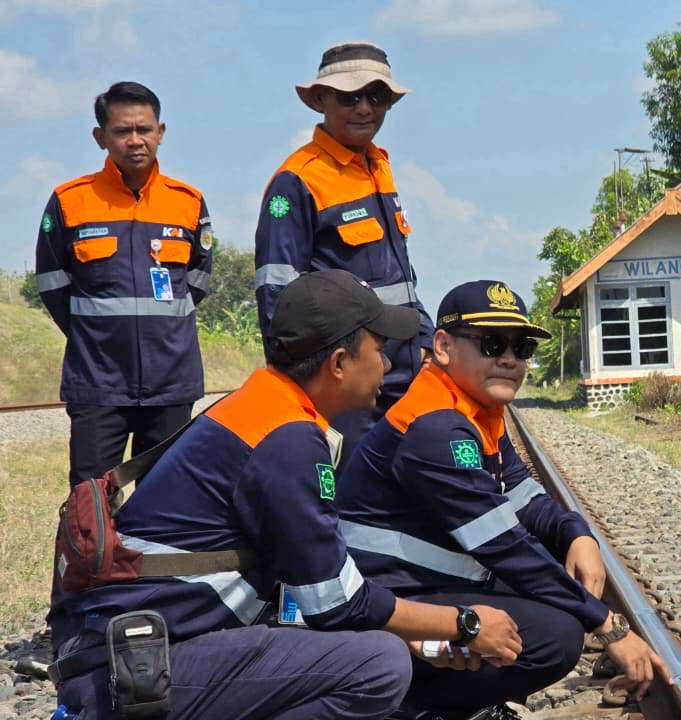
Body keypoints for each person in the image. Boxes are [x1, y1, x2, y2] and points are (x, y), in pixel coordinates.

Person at [48, 270, 522, 720]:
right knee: (378, 665)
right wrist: (464, 623)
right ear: (339, 364)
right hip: (131, 669)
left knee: (383, 647)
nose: (389, 364)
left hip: (132, 652)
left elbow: (305, 578)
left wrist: (414, 632)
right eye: (379, 349)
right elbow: (337, 604)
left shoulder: (265, 408)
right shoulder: (289, 440)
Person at [338, 280, 674, 720]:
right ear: (442, 346)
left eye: (522, 348)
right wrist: (608, 625)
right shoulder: (435, 429)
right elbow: (503, 544)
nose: (510, 359)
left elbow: (525, 497)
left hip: (419, 582)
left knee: (552, 587)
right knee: (556, 636)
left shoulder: (476, 412)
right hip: (390, 607)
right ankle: (418, 706)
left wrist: (578, 536)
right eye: (492, 343)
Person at [26, 80, 214, 679]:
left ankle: (161, 616)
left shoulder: (188, 201)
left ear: (161, 131)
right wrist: (96, 339)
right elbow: (54, 286)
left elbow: (198, 280)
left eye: (145, 129)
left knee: (168, 503)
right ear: (100, 136)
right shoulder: (70, 201)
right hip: (98, 384)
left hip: (171, 380)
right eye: (123, 130)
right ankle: (80, 621)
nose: (135, 140)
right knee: (90, 505)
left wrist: (160, 334)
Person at [255, 41, 433, 464]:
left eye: (377, 96)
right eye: (350, 97)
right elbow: (278, 296)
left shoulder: (379, 167)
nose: (364, 108)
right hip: (346, 384)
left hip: (405, 373)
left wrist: (425, 339)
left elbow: (400, 278)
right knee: (351, 502)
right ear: (321, 100)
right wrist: (305, 387)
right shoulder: (297, 181)